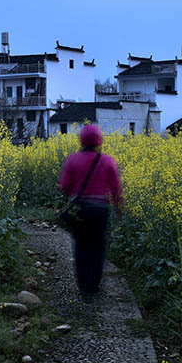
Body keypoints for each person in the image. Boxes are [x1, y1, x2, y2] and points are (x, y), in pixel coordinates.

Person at [57, 124, 123, 300]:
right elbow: (116, 189)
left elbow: (64, 186)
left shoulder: (72, 160)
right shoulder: (108, 161)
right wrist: (119, 208)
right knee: (97, 248)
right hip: (101, 210)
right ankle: (93, 287)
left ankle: (83, 287)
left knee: (81, 247)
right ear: (99, 141)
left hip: (81, 210)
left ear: (81, 140)